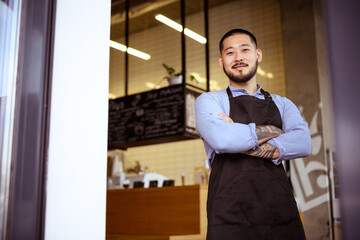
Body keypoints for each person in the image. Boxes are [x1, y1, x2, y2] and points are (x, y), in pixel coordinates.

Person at [195, 29, 312, 240]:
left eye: (245, 50)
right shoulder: (210, 101)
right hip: (228, 216)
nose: (238, 57)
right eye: (230, 53)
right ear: (221, 62)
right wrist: (276, 132)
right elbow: (223, 140)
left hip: (279, 213)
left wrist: (237, 136)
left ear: (258, 55)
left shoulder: (282, 103)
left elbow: (303, 143)